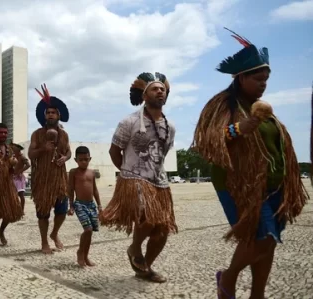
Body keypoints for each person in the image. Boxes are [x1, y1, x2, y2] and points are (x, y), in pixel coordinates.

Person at [191, 28, 309, 299]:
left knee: (270, 244)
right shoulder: (221, 105)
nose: (263, 84)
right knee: (261, 239)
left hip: (273, 186)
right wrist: (238, 129)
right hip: (239, 186)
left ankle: (258, 294)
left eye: (266, 79)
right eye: (258, 79)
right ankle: (227, 279)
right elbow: (207, 142)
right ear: (241, 77)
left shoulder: (264, 110)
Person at [100, 72, 177, 283]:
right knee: (148, 218)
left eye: (162, 88)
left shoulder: (170, 127)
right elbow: (114, 152)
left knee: (162, 230)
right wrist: (128, 172)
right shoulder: (129, 121)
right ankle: (134, 248)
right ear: (144, 95)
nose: (160, 91)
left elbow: (162, 155)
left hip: (159, 182)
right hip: (133, 179)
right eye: (154, 88)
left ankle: (145, 268)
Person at [28, 84, 71, 254]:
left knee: (61, 211)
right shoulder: (37, 134)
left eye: (53, 112)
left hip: (59, 178)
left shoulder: (64, 134)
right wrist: (42, 149)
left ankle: (54, 233)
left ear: (58, 115)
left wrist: (65, 157)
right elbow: (31, 154)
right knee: (43, 214)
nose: (50, 115)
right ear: (45, 116)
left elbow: (68, 151)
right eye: (48, 112)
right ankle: (44, 242)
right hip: (43, 179)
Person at [67, 146, 102, 267]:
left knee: (90, 233)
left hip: (91, 205)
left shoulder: (92, 173)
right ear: (76, 160)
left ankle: (86, 256)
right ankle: (80, 253)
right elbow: (70, 190)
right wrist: (71, 206)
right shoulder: (73, 172)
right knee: (88, 229)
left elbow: (95, 190)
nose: (84, 162)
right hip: (79, 204)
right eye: (81, 160)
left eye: (86, 159)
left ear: (90, 158)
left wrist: (100, 206)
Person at [11, 142, 30, 216]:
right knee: (13, 194)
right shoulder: (13, 157)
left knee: (21, 195)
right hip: (13, 177)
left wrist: (20, 171)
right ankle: (15, 209)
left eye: (14, 148)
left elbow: (28, 165)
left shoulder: (22, 157)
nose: (13, 149)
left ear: (18, 150)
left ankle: (22, 210)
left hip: (19, 178)